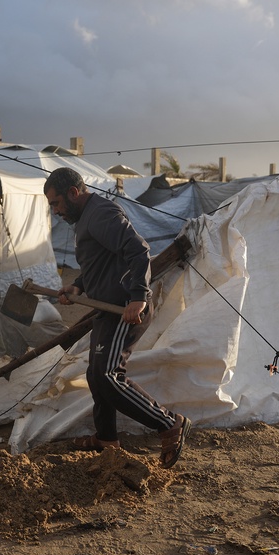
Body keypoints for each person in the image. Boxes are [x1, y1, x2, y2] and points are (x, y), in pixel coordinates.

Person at [43, 167, 190, 468]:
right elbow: (102, 259)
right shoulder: (87, 218)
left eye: (56, 203)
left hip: (124, 309)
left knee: (109, 376)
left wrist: (137, 296)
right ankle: (106, 438)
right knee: (96, 376)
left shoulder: (100, 213)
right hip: (106, 308)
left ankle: (169, 423)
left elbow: (137, 250)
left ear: (73, 193)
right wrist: (78, 285)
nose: (55, 211)